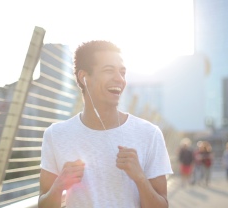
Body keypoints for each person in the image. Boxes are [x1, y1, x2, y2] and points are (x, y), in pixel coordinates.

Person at [38, 40, 173, 208]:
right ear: (83, 77)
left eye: (122, 72)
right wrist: (58, 187)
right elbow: (43, 203)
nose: (120, 79)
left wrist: (140, 179)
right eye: (109, 70)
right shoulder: (55, 135)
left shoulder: (149, 134)